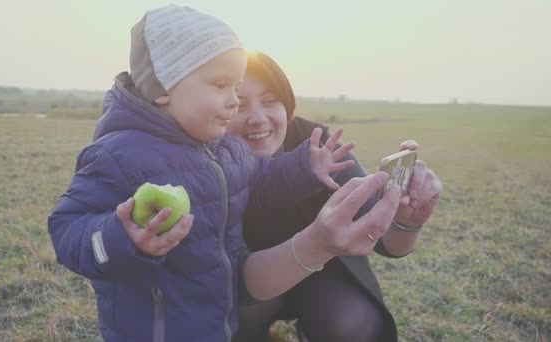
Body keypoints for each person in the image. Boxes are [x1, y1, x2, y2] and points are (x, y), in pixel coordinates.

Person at [47, 5, 394, 342]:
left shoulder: (222, 148)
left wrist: (304, 166)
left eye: (236, 87)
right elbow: (67, 230)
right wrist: (121, 238)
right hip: (152, 330)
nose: (234, 100)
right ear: (165, 88)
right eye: (221, 85)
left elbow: (261, 176)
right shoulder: (118, 154)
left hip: (214, 322)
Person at [228, 51, 443, 342]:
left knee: (352, 324)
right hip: (242, 277)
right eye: (239, 104)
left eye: (270, 101)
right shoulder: (203, 161)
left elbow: (385, 243)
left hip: (323, 270)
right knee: (230, 324)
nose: (257, 118)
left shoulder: (319, 146)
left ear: (288, 105)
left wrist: (407, 220)